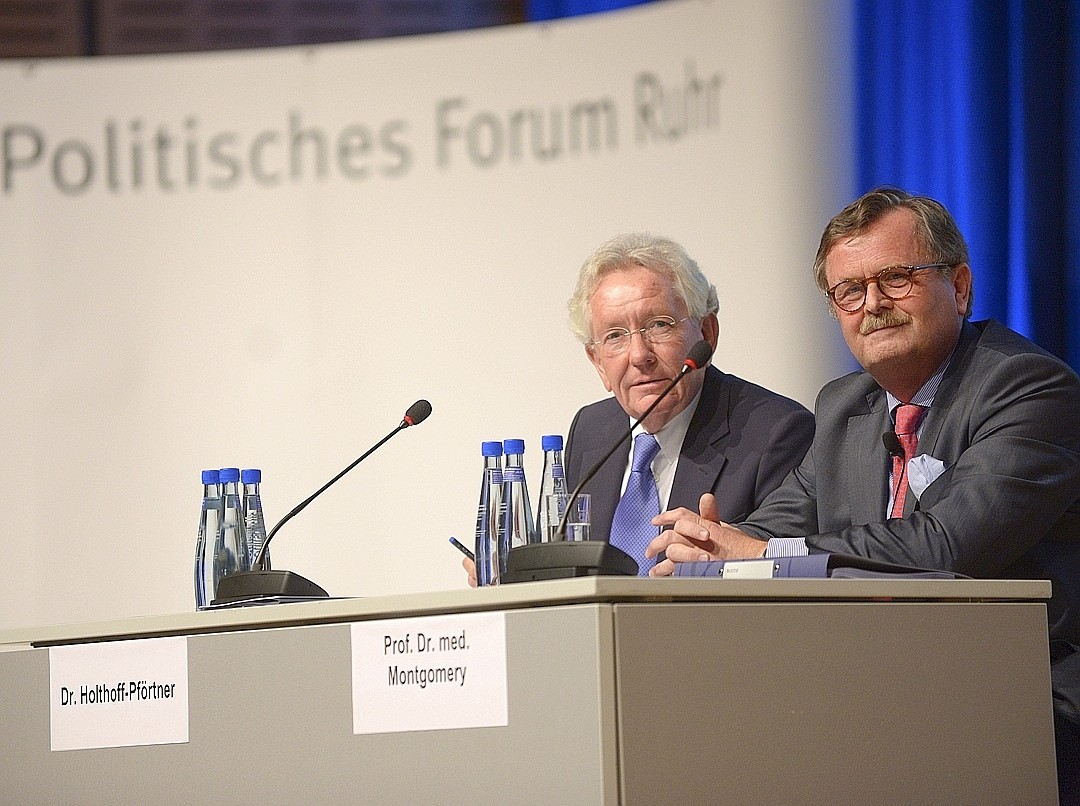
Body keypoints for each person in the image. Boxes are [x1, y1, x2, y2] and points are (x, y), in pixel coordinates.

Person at [648, 188, 1080, 803]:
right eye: (848, 290)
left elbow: (949, 547)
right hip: (882, 698)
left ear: (959, 288)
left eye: (896, 278)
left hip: (1027, 705)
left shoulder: (1027, 388)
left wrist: (756, 555)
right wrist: (711, 546)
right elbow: (771, 527)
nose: (872, 304)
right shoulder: (844, 406)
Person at [464, 232, 814, 583]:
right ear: (597, 361)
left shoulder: (777, 432)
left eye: (659, 325)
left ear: (707, 333)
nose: (639, 355)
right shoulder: (592, 429)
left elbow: (789, 572)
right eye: (615, 335)